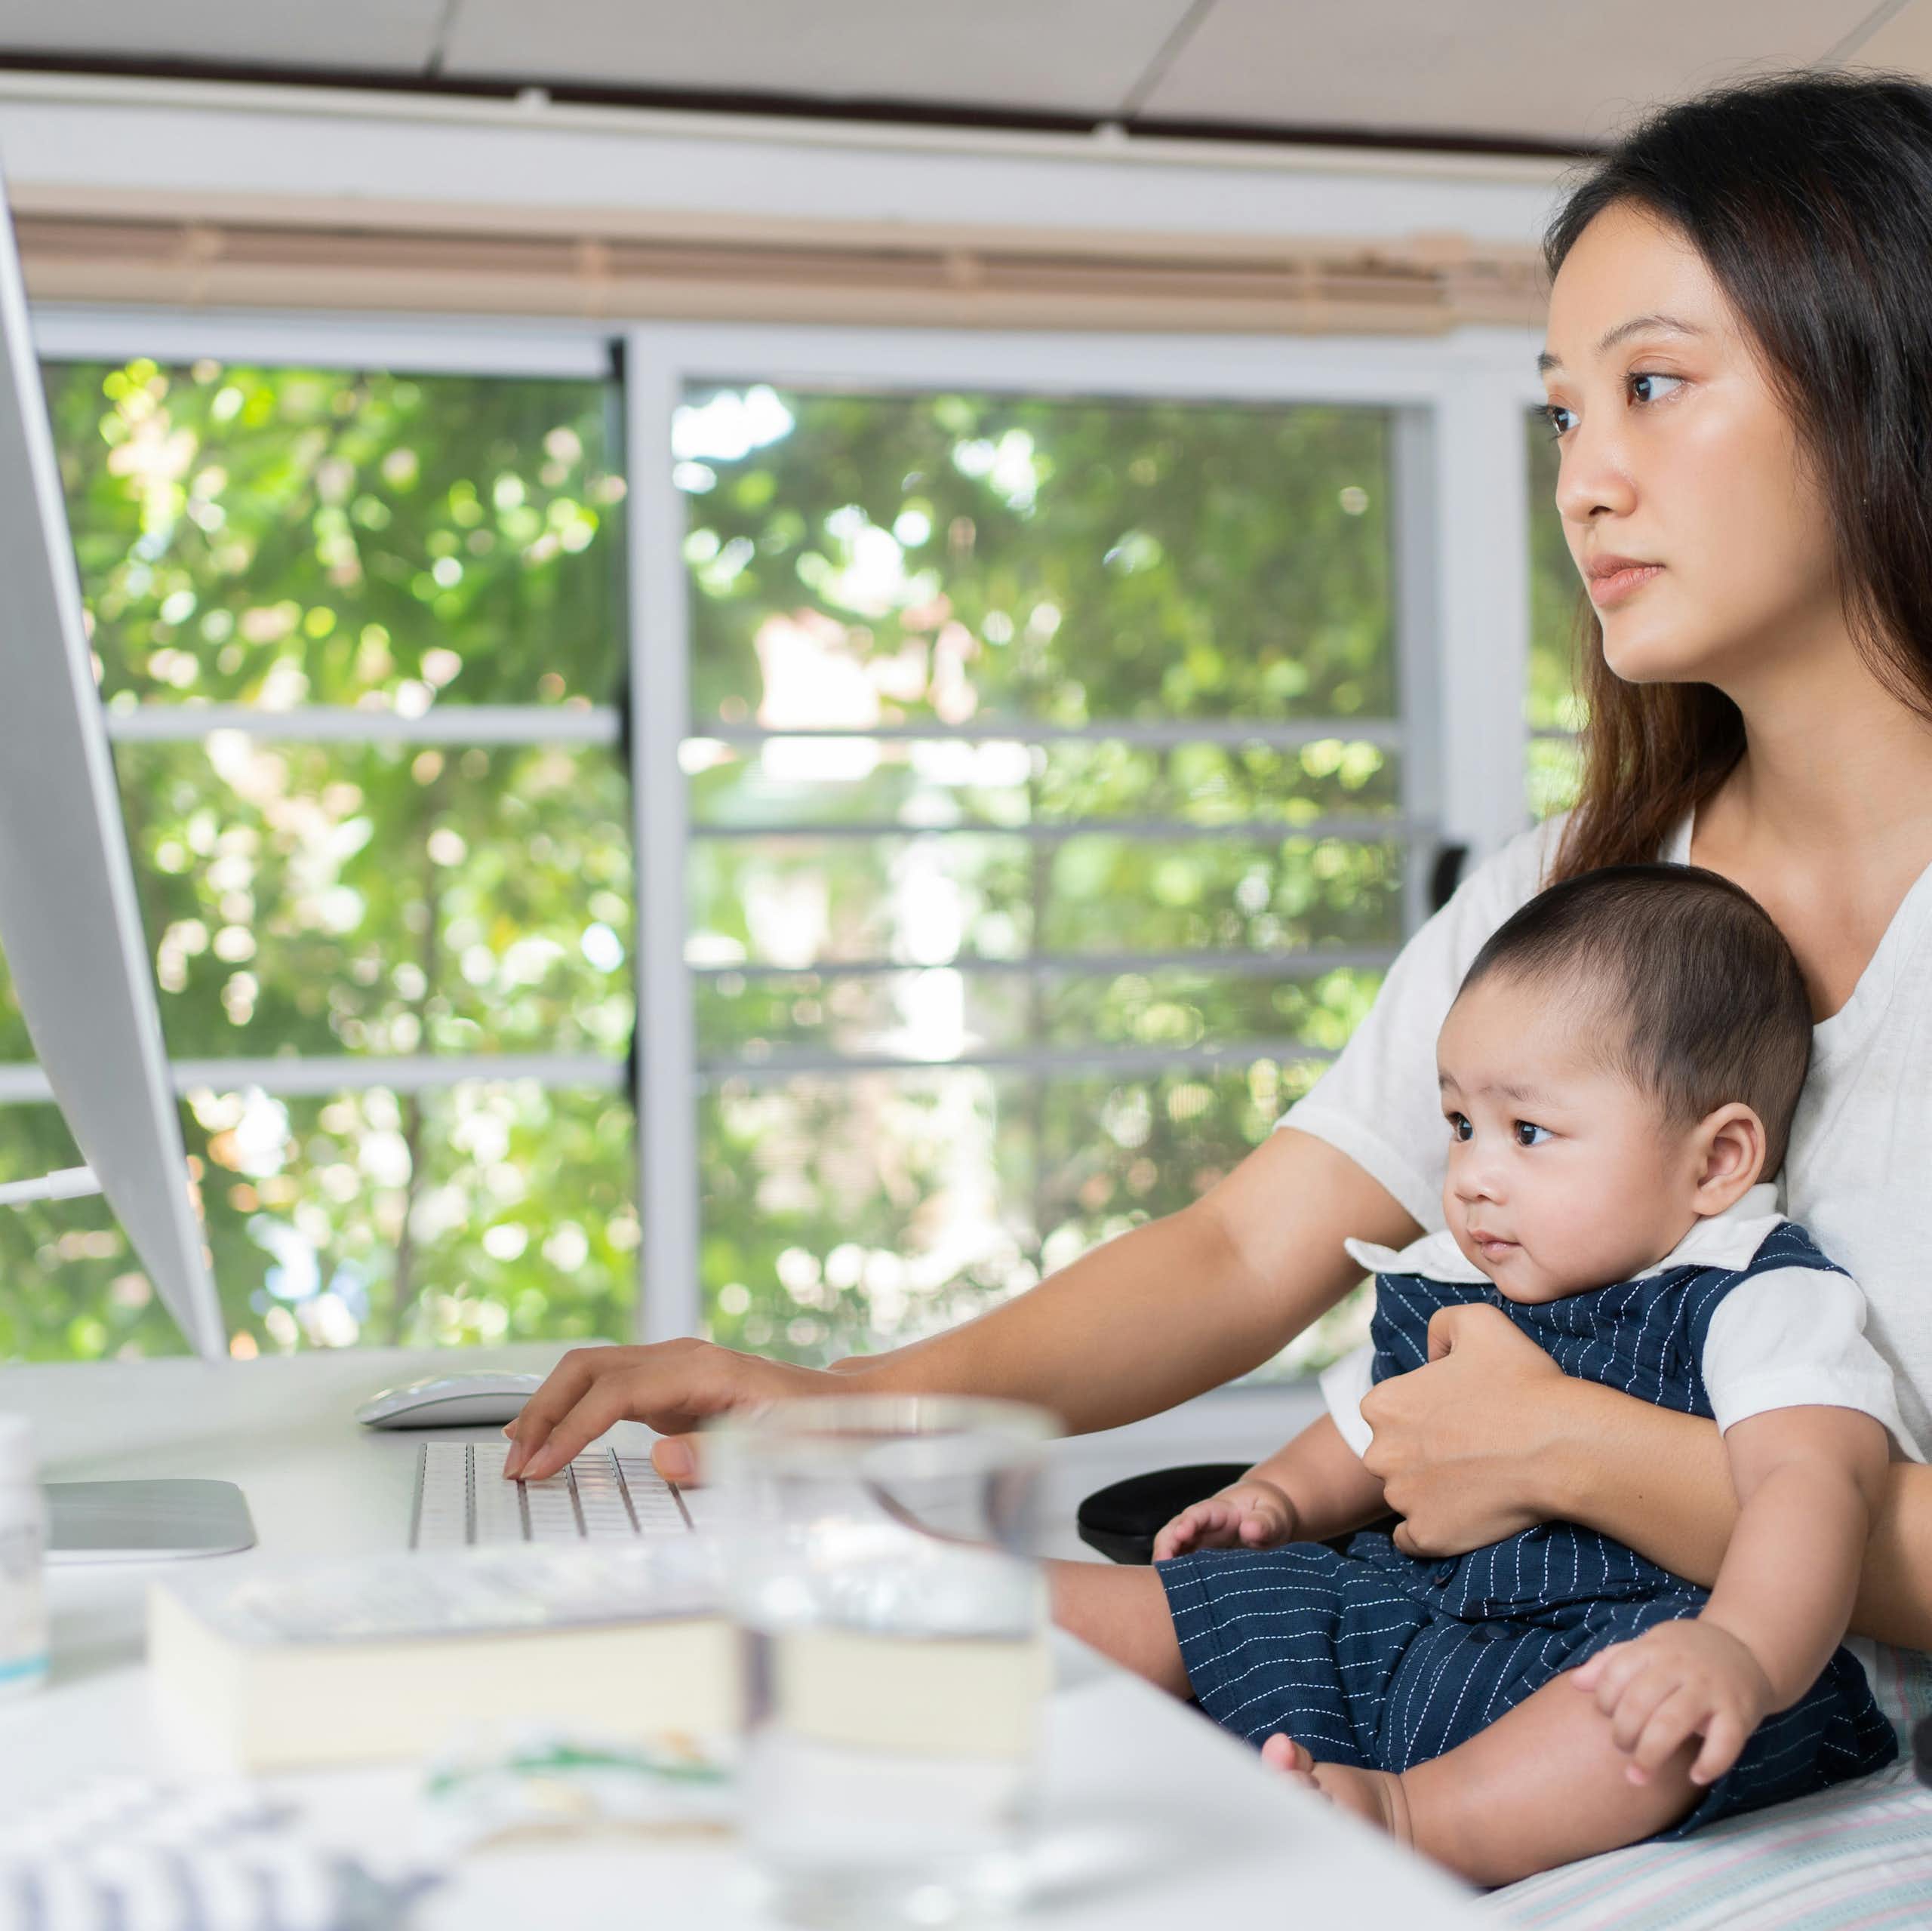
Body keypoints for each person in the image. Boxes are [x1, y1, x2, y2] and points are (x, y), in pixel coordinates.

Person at [503, 69, 1932, 1894]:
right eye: (1560, 412)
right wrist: (836, 1404)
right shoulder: (1571, 893)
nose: (1583, 478)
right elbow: (1245, 1249)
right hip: (1476, 1718)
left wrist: (1567, 1446)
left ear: (1874, 371)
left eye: (1651, 386)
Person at [1049, 862, 1915, 1885]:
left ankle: (1418, 1822)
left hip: (1615, 1649)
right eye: (1460, 1125)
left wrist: (1744, 1651)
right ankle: (934, 1630)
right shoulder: (1463, 1272)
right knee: (1222, 1593)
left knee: (1647, 1724)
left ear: (1717, 1160)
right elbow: (1373, 1423)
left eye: (1529, 1132)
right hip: (1417, 1625)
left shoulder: (1755, 1291)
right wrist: (1277, 1496)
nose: (1471, 1175)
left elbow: (1809, 1491)